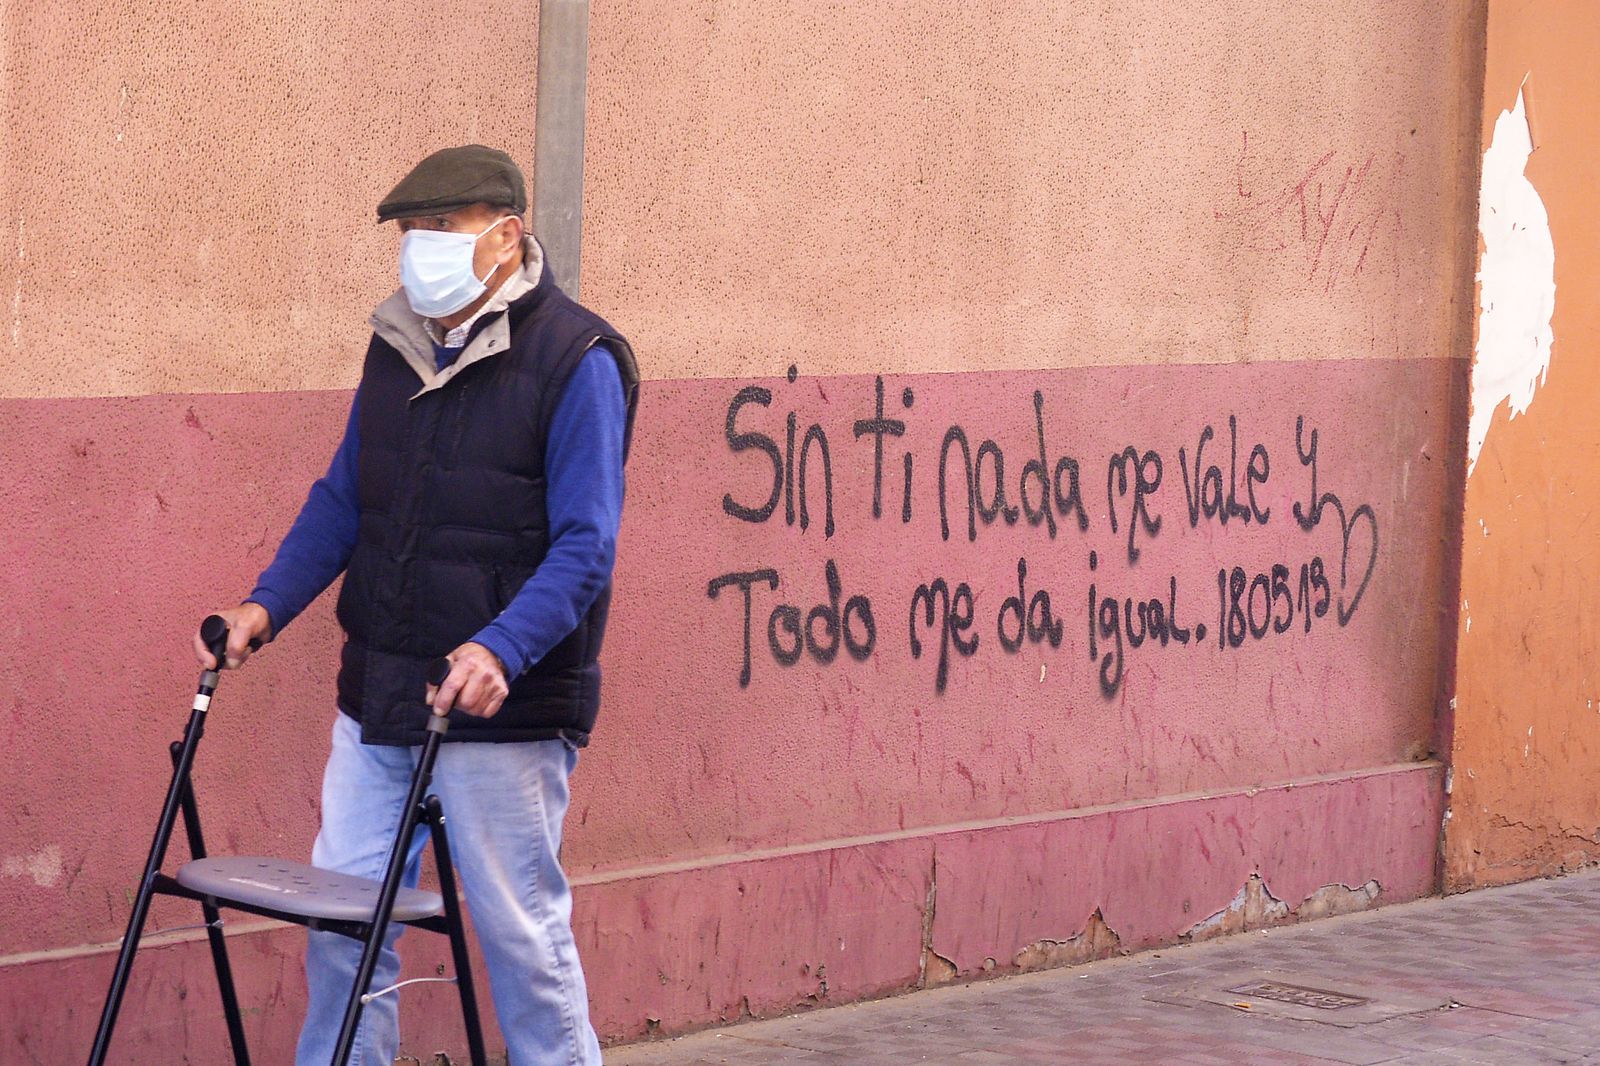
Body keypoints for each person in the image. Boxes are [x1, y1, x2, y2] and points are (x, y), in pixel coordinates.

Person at [195, 144, 638, 1066]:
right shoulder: (396, 343)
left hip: (499, 709)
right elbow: (347, 498)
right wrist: (264, 607)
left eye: (439, 229)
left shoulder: (577, 358)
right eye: (410, 234)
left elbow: (586, 543)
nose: (419, 250)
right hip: (380, 695)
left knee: (519, 935)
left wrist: (500, 649)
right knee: (342, 925)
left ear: (506, 236)